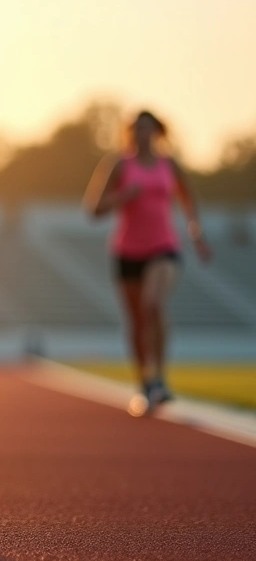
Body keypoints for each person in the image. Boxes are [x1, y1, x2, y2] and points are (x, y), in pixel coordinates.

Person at [83, 110, 211, 416]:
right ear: (130, 133)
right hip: (127, 251)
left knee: (152, 304)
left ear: (157, 132)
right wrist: (124, 196)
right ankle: (145, 383)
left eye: (148, 128)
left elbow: (188, 201)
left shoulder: (170, 164)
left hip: (164, 247)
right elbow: (93, 209)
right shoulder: (118, 164)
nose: (143, 134)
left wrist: (195, 232)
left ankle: (161, 379)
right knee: (137, 320)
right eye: (137, 128)